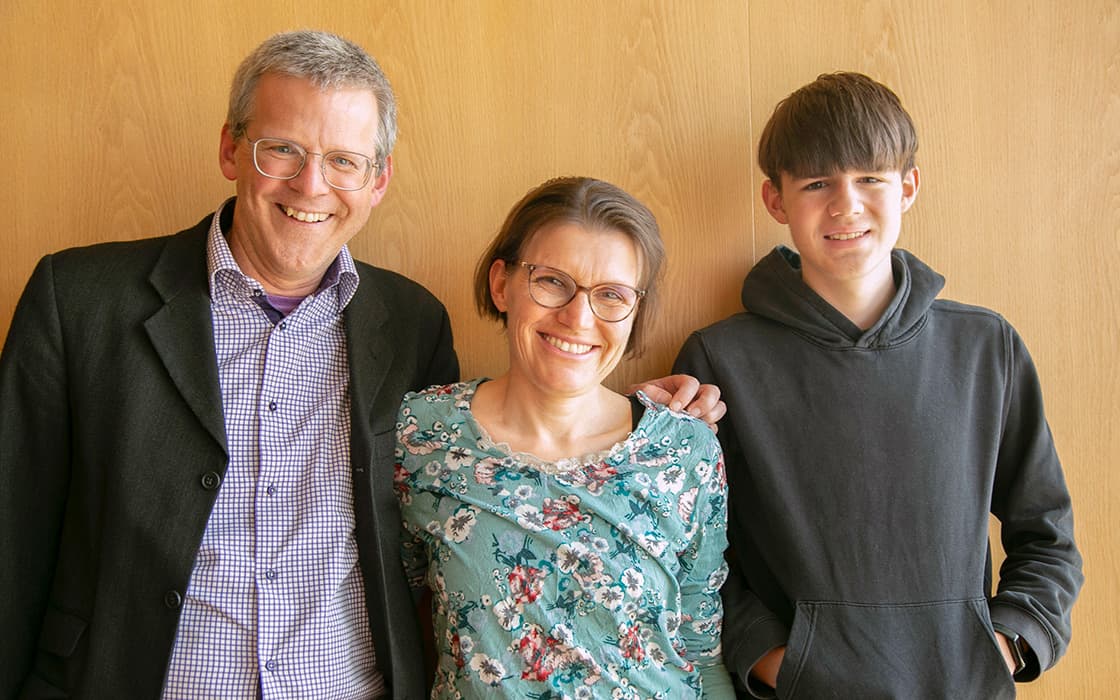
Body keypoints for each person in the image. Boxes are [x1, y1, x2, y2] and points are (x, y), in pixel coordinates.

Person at [0, 31, 719, 700]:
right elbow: (13, 531)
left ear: (378, 180)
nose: (312, 185)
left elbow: (491, 468)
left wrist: (641, 419)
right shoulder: (80, 302)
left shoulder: (409, 323)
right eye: (282, 149)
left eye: (344, 160)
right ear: (231, 149)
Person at [673, 72, 1083, 699]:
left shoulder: (985, 347)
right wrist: (773, 658)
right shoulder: (721, 358)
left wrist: (1001, 646)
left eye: (870, 178)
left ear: (909, 186)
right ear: (776, 201)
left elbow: (1046, 532)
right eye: (816, 183)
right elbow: (695, 551)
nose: (846, 205)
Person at [394, 176, 735, 698]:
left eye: (612, 295)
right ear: (501, 283)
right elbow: (385, 616)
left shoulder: (684, 451)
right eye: (552, 281)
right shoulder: (421, 436)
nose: (578, 317)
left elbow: (701, 654)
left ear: (635, 312)